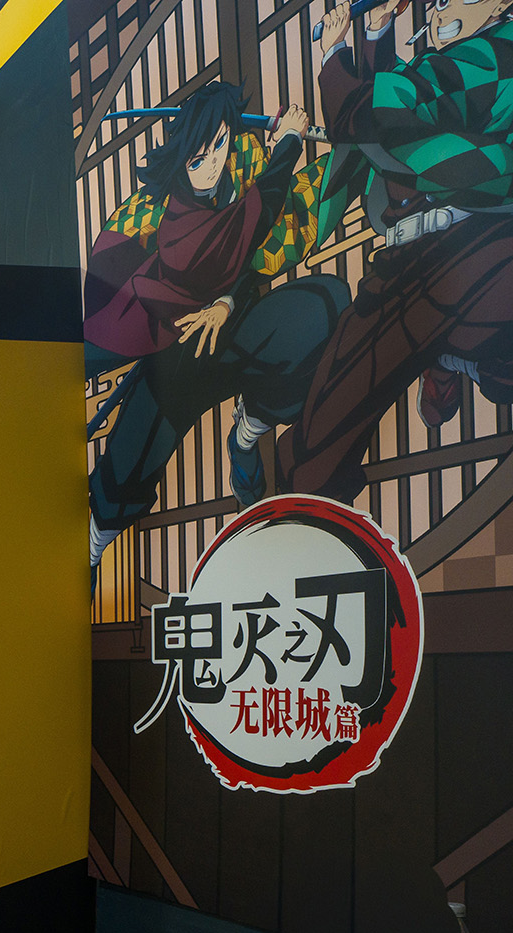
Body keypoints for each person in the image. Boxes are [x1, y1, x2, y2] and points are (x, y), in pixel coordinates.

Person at [84, 81, 344, 581]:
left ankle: (248, 431)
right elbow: (246, 227)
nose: (209, 165)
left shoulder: (242, 162)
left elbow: (253, 255)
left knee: (323, 305)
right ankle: (92, 548)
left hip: (234, 335)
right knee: (128, 468)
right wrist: (289, 143)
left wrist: (227, 303)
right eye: (197, 157)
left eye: (219, 145)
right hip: (176, 356)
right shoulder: (172, 218)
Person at [278, 1, 513, 501]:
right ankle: (456, 359)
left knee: (313, 453)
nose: (442, 9)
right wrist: (378, 30)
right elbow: (407, 99)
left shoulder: (489, 58)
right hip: (460, 254)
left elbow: (378, 115)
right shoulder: (475, 59)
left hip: (449, 256)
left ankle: (455, 358)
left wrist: (333, 56)